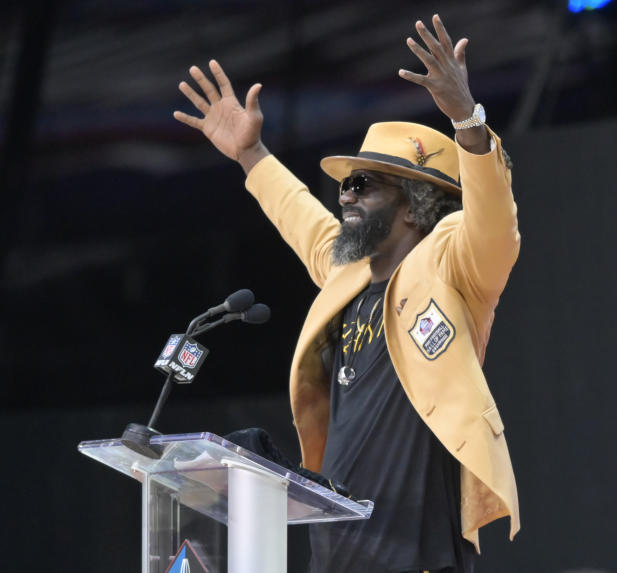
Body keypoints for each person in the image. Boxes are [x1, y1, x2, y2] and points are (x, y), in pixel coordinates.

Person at [174, 15, 520, 572]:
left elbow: (494, 223)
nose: (345, 195)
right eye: (345, 184)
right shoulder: (349, 272)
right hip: (338, 549)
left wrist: (467, 120)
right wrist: (250, 155)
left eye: (364, 183)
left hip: (418, 551)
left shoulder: (457, 266)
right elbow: (299, 216)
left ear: (414, 205)